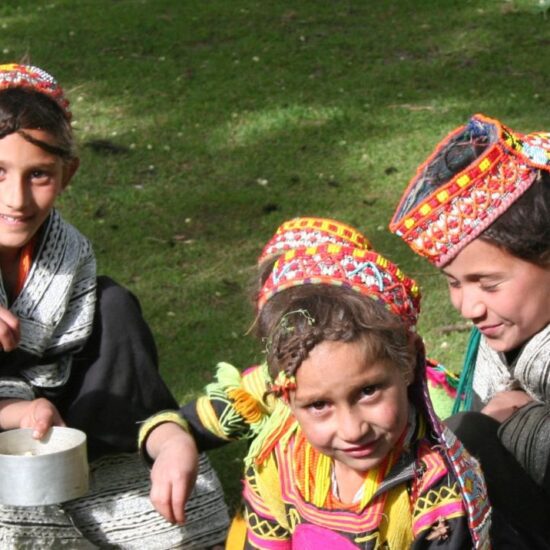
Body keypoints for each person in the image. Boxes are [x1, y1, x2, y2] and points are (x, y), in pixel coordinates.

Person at [0, 63, 228, 548]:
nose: (16, 199)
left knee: (115, 304)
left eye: (37, 174)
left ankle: (155, 441)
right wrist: (16, 414)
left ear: (68, 174)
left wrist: (168, 440)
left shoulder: (71, 256)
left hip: (60, 416)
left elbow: (102, 365)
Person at [140, 240, 491, 548]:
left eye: (368, 391)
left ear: (408, 361)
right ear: (282, 395)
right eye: (319, 405)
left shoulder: (437, 490)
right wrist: (172, 441)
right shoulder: (279, 456)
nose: (353, 429)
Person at [390, 113, 550, 547]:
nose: (468, 307)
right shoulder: (506, 344)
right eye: (454, 282)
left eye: (489, 283)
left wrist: (513, 426)